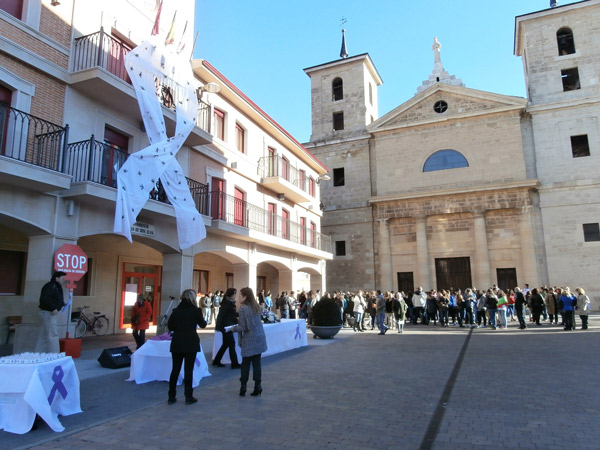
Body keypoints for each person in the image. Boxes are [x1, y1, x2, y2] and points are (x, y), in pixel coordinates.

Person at [167, 289, 207, 405]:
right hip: (190, 342)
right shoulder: (195, 311)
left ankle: (171, 395)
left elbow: (170, 325)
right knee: (188, 370)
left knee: (175, 369)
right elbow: (203, 325)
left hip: (177, 342)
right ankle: (188, 396)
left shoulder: (176, 311)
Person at [230, 287, 267, 397]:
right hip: (259, 337)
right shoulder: (256, 306)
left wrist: (234, 329)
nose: (238, 298)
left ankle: (243, 387)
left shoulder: (243, 308)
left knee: (245, 363)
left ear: (245, 297)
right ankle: (258, 386)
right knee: (257, 363)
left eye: (240, 296)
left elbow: (244, 326)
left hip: (249, 339)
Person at [36, 271, 67, 353]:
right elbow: (45, 299)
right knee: (53, 334)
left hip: (47, 313)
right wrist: (53, 308)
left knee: (43, 336)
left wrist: (62, 303)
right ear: (57, 278)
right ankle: (55, 355)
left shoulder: (55, 286)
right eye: (62, 278)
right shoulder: (51, 286)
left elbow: (54, 298)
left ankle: (38, 353)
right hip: (49, 313)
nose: (64, 280)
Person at [212, 288, 241, 369]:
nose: (236, 295)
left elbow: (232, 314)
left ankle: (216, 360)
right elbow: (221, 315)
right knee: (231, 344)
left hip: (228, 325)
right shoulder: (227, 303)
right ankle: (234, 363)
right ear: (231, 295)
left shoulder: (229, 303)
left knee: (225, 344)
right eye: (235, 294)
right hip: (226, 327)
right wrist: (219, 326)